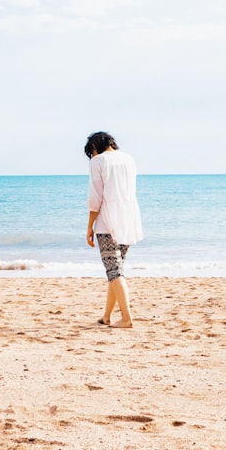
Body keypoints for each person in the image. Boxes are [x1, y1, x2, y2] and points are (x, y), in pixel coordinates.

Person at [85, 131, 143, 328]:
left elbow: (95, 197)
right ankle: (107, 316)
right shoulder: (129, 159)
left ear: (95, 146)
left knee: (114, 271)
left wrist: (90, 226)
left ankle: (126, 318)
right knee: (115, 271)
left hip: (107, 222)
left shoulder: (98, 162)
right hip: (128, 219)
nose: (92, 156)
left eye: (91, 152)